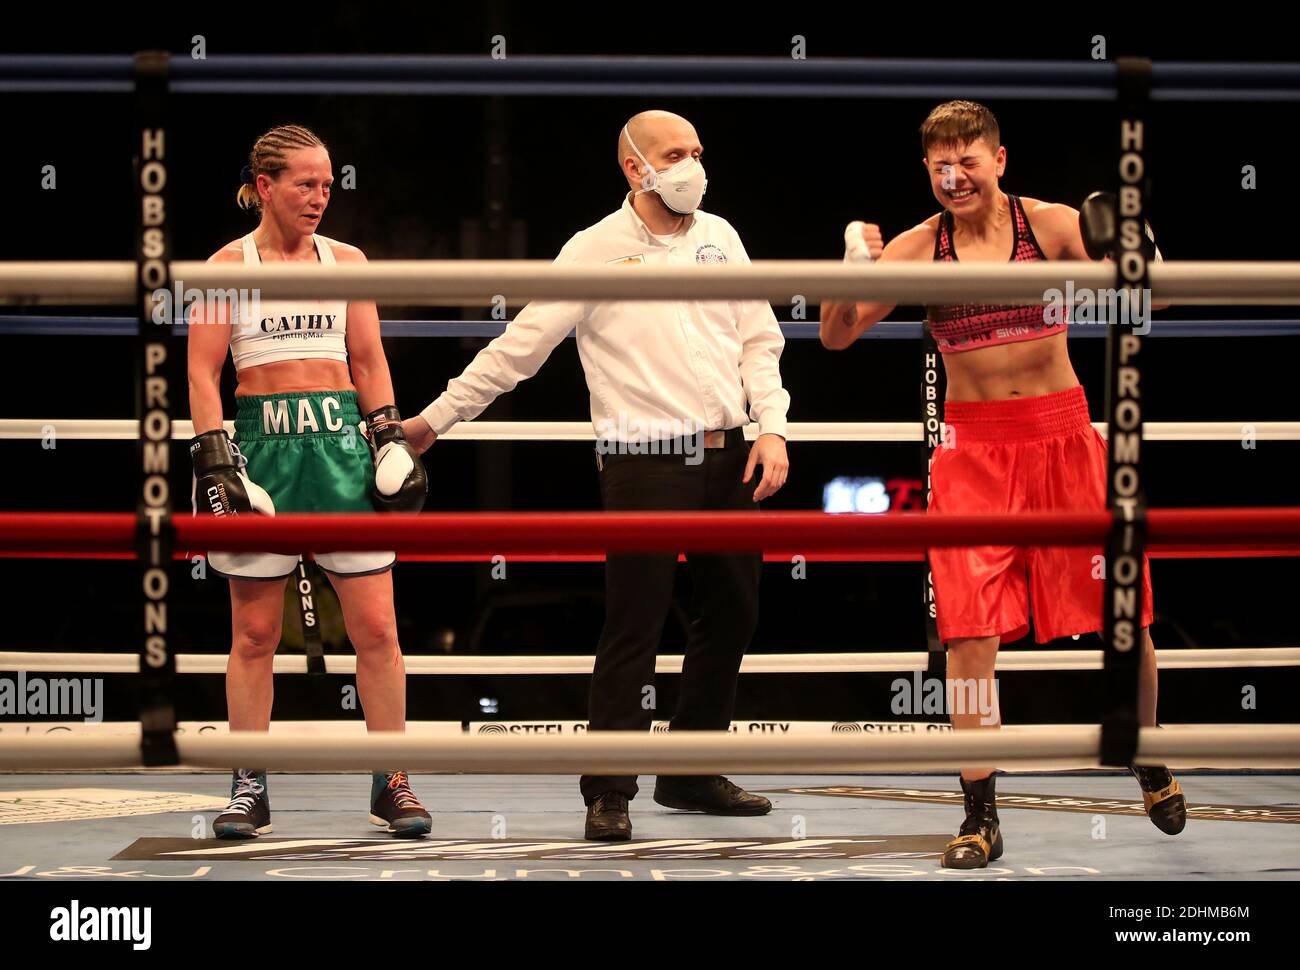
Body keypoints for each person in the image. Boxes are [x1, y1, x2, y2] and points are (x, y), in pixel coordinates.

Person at [403, 110, 791, 841]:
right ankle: (608, 788)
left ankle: (690, 768)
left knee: (733, 613)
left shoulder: (722, 237)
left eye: (699, 152)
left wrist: (770, 426)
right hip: (641, 458)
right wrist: (433, 421)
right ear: (635, 166)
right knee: (633, 624)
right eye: (676, 154)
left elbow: (760, 341)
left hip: (729, 449)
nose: (693, 166)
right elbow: (518, 350)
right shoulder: (592, 249)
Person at [819, 100, 1186, 869]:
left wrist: (1137, 249)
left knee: (1128, 617)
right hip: (975, 455)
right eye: (941, 166)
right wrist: (846, 269)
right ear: (928, 170)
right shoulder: (920, 250)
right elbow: (838, 333)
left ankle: (1146, 754)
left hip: (1066, 442)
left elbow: (1141, 299)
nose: (956, 178)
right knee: (968, 638)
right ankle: (979, 812)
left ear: (1000, 158)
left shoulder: (1051, 225)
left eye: (969, 161)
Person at [188, 124, 432, 839]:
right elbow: (203, 372)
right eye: (306, 183)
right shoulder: (225, 265)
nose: (321, 197)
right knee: (257, 633)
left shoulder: (348, 261)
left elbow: (369, 362)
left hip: (338, 450)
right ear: (264, 186)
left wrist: (388, 436)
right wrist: (214, 458)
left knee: (378, 629)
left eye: (327, 184)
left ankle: (392, 782)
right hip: (261, 450)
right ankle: (247, 787)